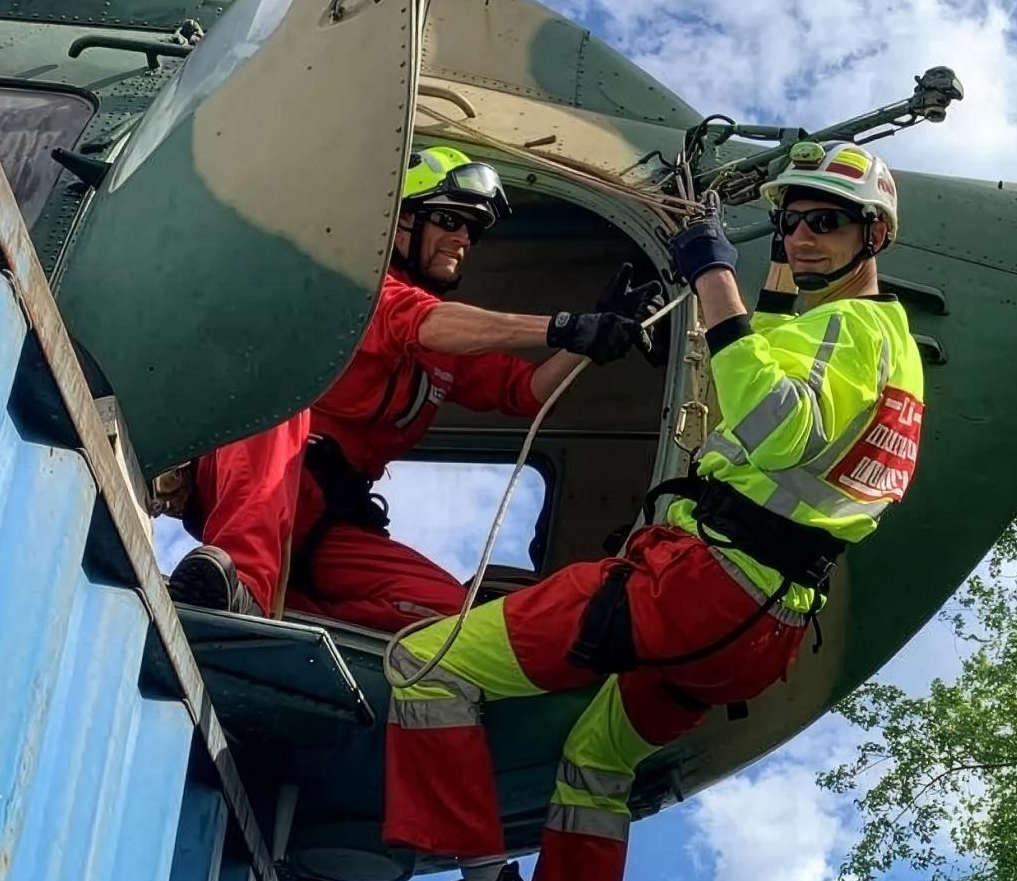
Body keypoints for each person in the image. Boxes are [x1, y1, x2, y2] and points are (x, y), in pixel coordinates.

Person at [381, 140, 926, 881]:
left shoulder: (849, 326)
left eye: (829, 222)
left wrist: (715, 276)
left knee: (425, 665)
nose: (807, 235)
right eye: (793, 223)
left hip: (699, 588)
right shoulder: (886, 348)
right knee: (597, 765)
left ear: (874, 236)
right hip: (764, 629)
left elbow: (776, 417)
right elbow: (784, 360)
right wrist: (768, 271)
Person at [167, 146, 660, 625]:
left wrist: (589, 342)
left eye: (471, 229)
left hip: (331, 519)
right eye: (449, 220)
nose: (463, 238)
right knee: (277, 403)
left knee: (447, 616)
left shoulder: (443, 348)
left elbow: (527, 391)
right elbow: (422, 322)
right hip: (261, 480)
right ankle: (241, 591)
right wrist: (564, 326)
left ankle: (287, 609)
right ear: (402, 221)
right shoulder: (360, 291)